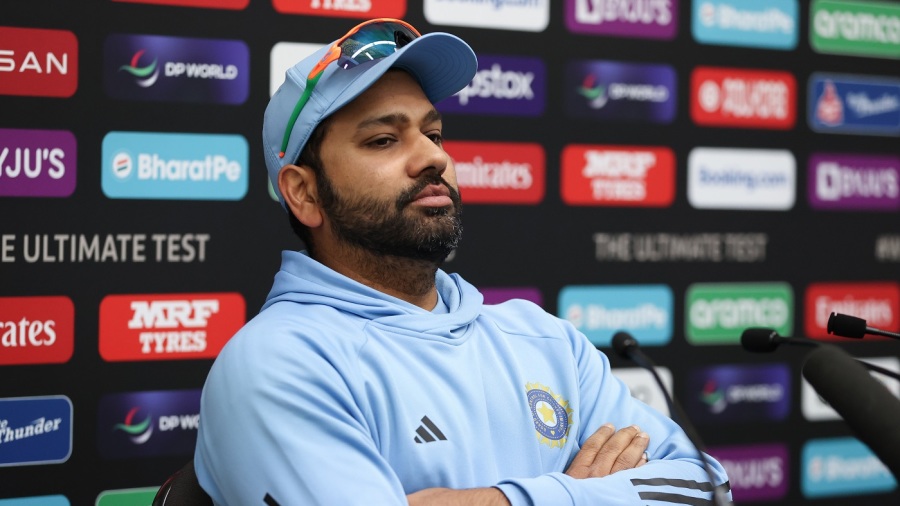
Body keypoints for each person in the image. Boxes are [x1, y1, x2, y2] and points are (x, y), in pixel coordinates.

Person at [194, 18, 731, 506]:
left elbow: (710, 487)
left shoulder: (546, 341)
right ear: (304, 193)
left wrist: (510, 502)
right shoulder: (279, 363)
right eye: (383, 140)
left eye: (433, 134)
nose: (434, 157)